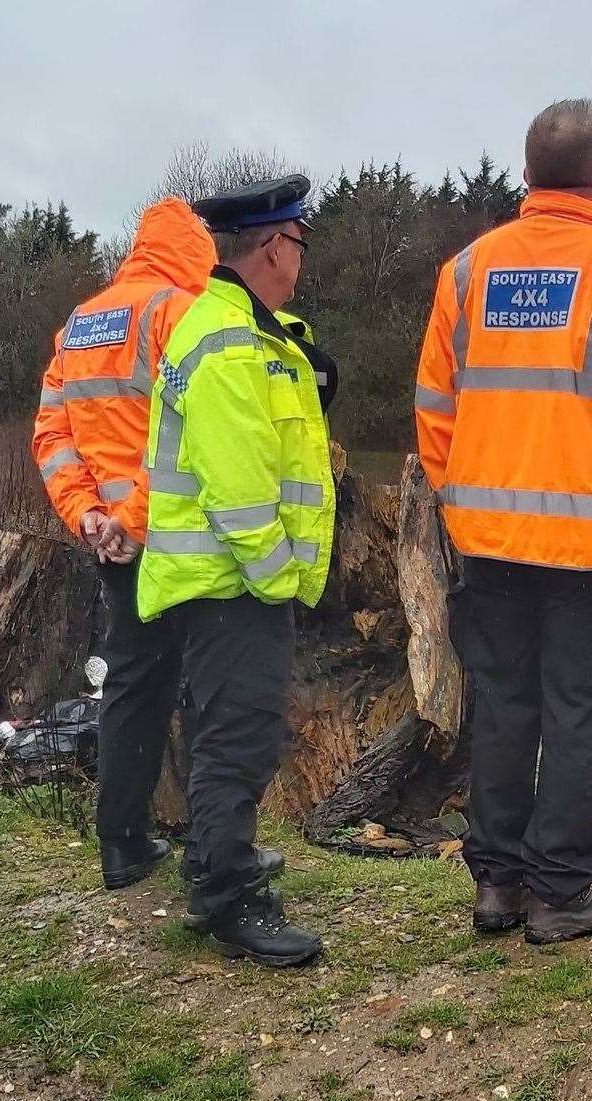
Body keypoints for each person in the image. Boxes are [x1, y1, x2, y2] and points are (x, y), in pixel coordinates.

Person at [415, 99, 592, 945]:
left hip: (489, 545)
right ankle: (560, 893)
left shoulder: (466, 272)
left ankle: (497, 887)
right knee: (582, 714)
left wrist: (462, 501)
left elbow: (435, 411)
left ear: (527, 180)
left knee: (504, 707)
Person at [138, 175, 338, 968]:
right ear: (273, 247)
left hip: (229, 583)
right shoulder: (224, 342)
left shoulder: (252, 333)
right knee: (239, 740)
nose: (300, 261)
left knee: (226, 730)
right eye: (299, 245)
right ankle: (230, 898)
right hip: (233, 583)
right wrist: (278, 573)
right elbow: (238, 485)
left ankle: (212, 864)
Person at [32, 198, 215, 892]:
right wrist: (133, 517)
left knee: (133, 682)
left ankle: (122, 845)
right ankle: (213, 850)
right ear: (194, 251)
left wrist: (89, 516)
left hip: (110, 540)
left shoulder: (80, 323)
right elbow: (186, 433)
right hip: (176, 532)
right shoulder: (179, 314)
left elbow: (53, 438)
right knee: (209, 685)